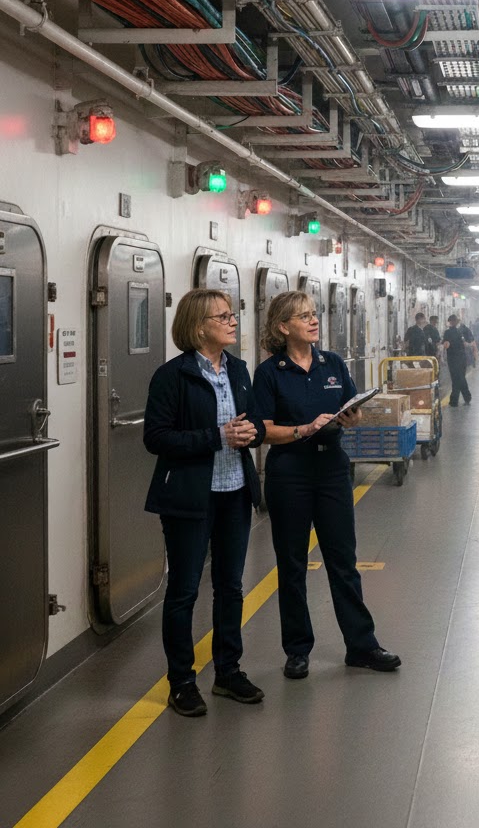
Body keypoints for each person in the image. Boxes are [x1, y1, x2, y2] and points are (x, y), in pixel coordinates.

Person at [252, 291, 400, 680]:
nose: (313, 321)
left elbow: (350, 404)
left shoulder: (331, 363)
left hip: (332, 470)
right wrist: (302, 428)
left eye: (314, 314)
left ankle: (362, 645)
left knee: (343, 561)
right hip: (290, 473)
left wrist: (350, 417)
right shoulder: (270, 373)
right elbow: (263, 430)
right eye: (303, 316)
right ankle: (298, 650)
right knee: (292, 564)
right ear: (283, 327)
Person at [143, 289, 266, 717]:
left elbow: (253, 422)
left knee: (231, 587)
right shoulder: (171, 376)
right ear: (199, 327)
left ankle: (228, 672)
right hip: (189, 498)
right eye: (223, 316)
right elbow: (155, 438)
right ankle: (182, 682)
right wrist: (216, 438)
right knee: (185, 591)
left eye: (233, 315)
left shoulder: (239, 370)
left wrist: (254, 434)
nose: (233, 321)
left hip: (234, 492)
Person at [443, 313, 472, 406]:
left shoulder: (448, 333)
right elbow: (468, 342)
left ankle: (455, 400)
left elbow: (446, 345)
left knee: (456, 378)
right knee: (460, 378)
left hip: (453, 358)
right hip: (461, 357)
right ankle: (466, 397)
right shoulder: (461, 331)